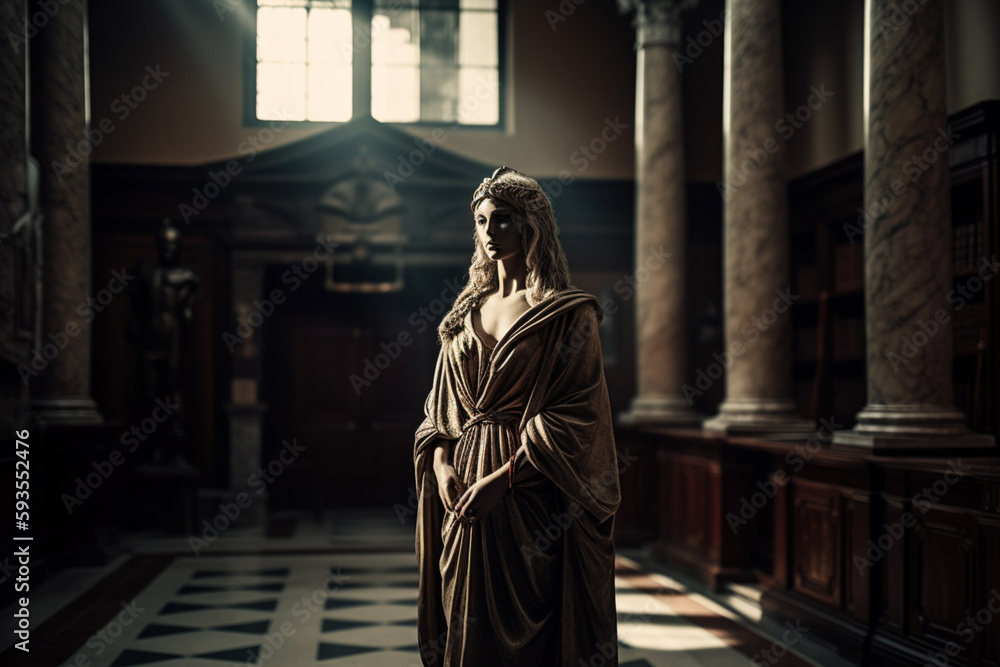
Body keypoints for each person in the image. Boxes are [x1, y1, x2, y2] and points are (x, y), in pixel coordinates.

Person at [413, 167, 621, 666]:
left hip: (532, 497)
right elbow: (439, 411)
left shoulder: (568, 314)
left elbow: (578, 419)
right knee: (467, 623)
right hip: (461, 490)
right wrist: (442, 466)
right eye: (481, 221)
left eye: (502, 219)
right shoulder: (462, 316)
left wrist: (501, 482)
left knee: (534, 634)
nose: (489, 232)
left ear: (531, 225)